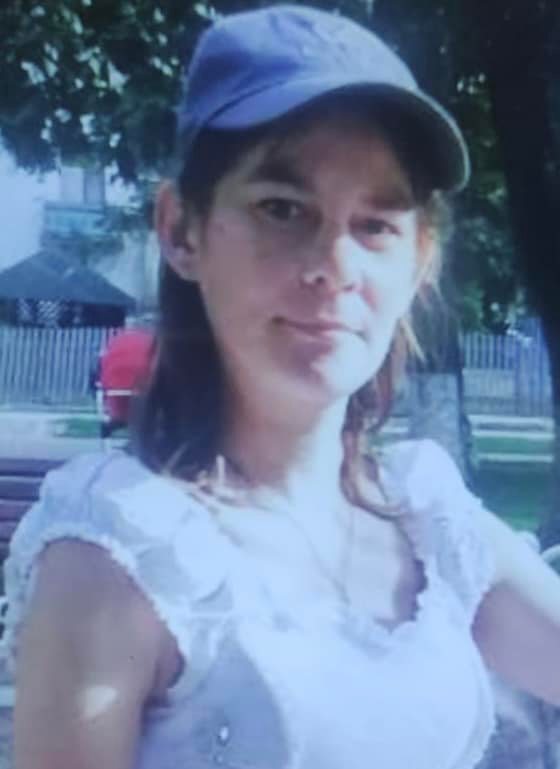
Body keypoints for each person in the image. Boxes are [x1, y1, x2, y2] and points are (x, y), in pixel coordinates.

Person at [3, 6, 560, 769]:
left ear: (419, 260)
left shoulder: (432, 525)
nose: (334, 266)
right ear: (180, 229)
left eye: (376, 224)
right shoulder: (125, 554)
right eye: (282, 209)